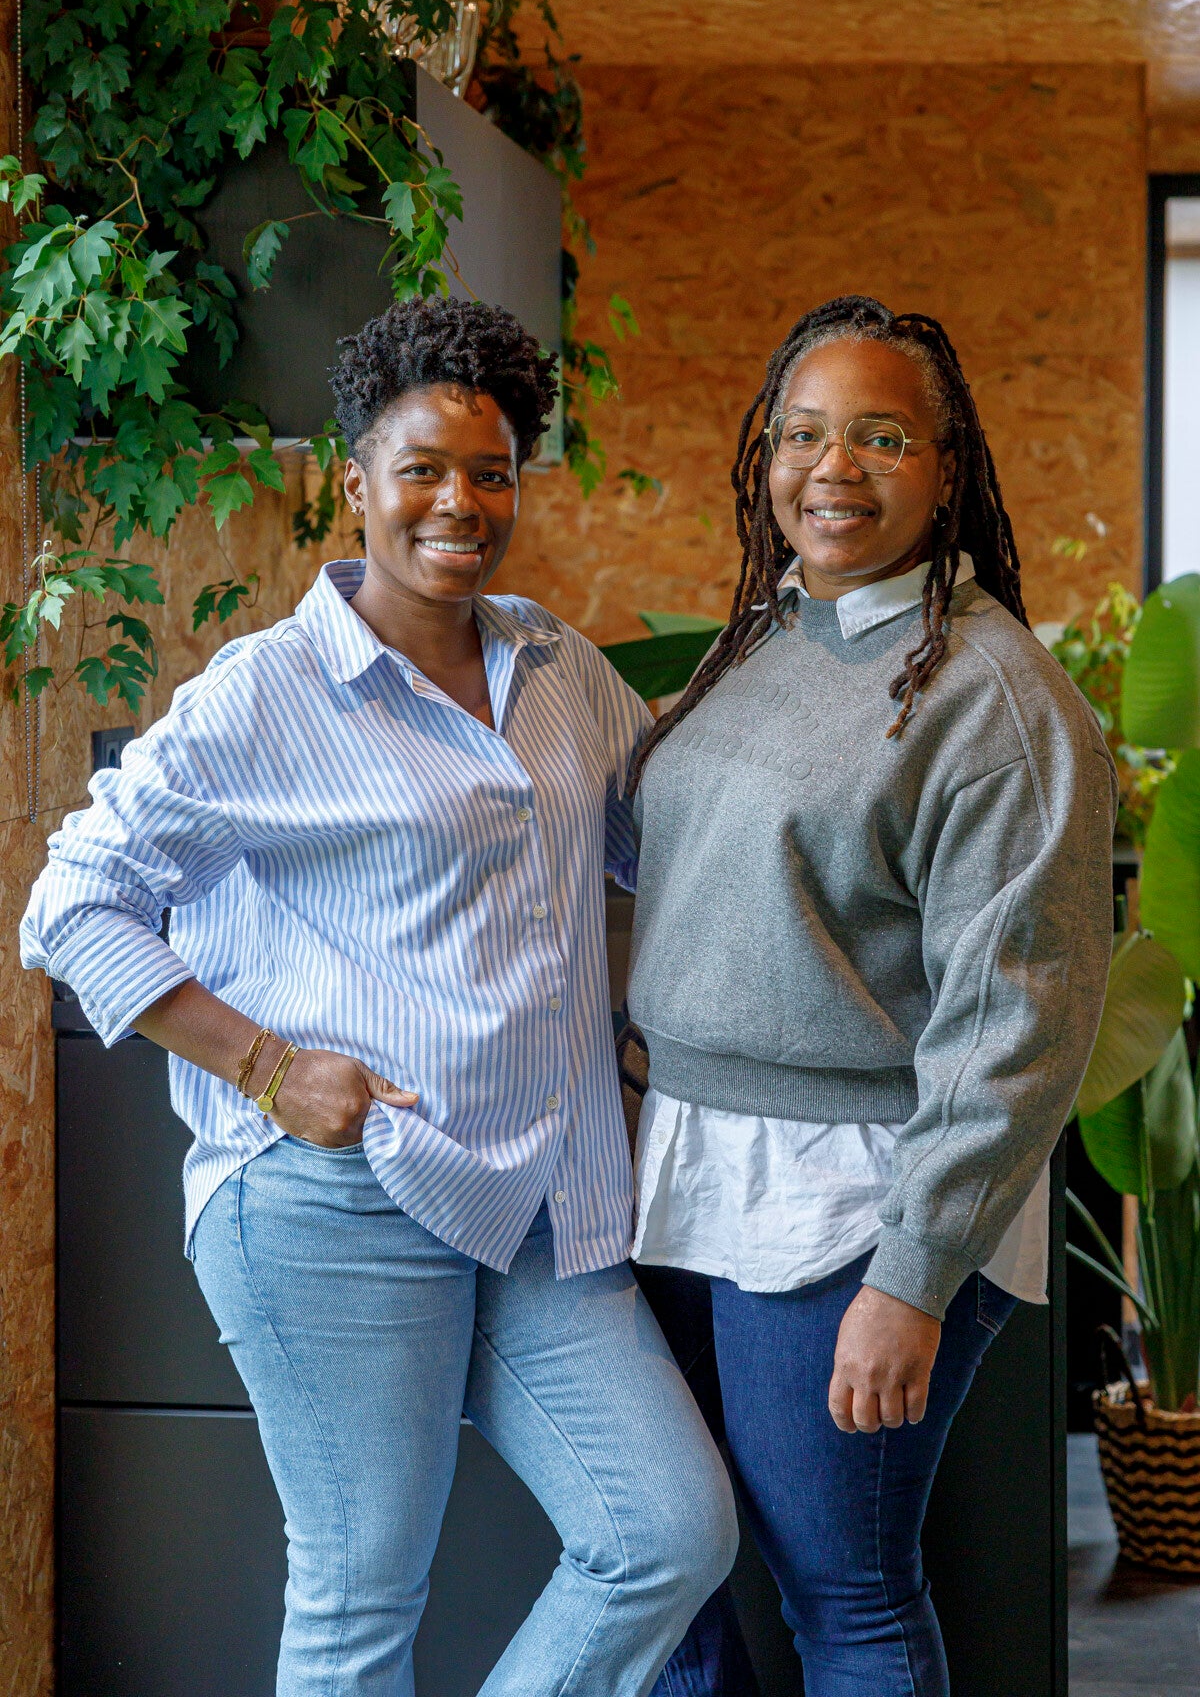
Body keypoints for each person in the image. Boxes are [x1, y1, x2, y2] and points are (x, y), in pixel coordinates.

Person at [21, 296, 737, 1697]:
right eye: (422, 467)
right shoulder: (268, 694)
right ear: (354, 483)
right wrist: (272, 1069)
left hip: (544, 1197)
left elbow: (674, 849)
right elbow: (69, 905)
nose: (458, 502)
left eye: (491, 471)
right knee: (361, 1602)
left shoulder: (556, 667)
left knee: (664, 1532)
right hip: (341, 1195)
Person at [626, 294, 1117, 1696]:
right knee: (674, 1566)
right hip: (690, 1165)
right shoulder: (772, 636)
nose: (830, 470)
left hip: (850, 1195)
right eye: (801, 435)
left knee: (847, 1595)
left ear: (947, 467)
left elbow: (1020, 1018)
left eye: (880, 438)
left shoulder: (995, 697)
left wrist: (913, 1274)